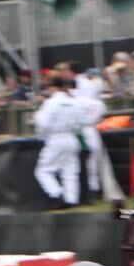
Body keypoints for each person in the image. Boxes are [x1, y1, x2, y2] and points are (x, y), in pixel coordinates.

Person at [33, 75, 85, 209]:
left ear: (53, 87)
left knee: (43, 170)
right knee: (70, 170)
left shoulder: (50, 103)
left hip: (56, 138)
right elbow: (82, 122)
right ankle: (71, 199)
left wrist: (38, 119)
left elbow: (43, 124)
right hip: (72, 138)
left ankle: (57, 194)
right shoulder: (75, 102)